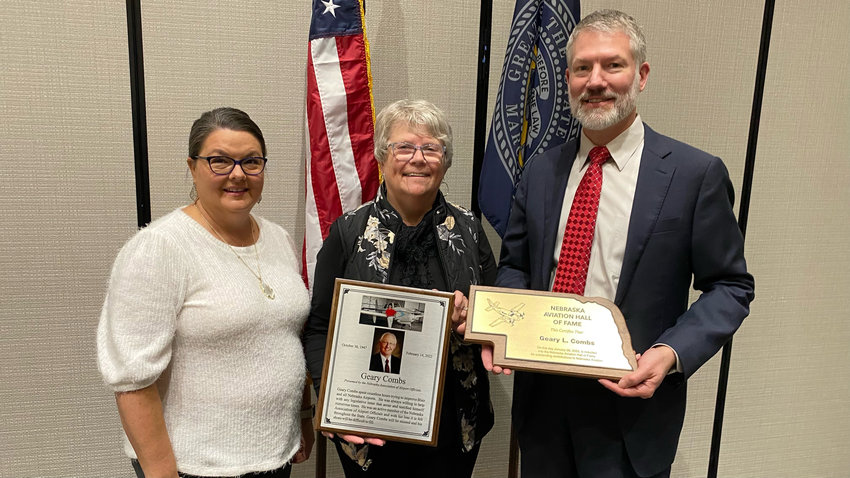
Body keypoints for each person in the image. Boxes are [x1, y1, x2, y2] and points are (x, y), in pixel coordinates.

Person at [486, 10, 755, 478]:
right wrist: (499, 329)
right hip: (543, 409)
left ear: (641, 75)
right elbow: (514, 266)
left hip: (632, 415)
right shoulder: (541, 171)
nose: (596, 81)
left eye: (613, 65)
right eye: (582, 68)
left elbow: (731, 286)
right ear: (567, 78)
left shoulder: (694, 175)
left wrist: (671, 353)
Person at [97, 107, 314, 478]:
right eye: (219, 161)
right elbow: (132, 379)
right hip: (193, 466)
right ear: (193, 167)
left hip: (275, 455)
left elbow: (286, 337)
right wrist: (162, 473)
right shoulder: (159, 248)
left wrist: (303, 419)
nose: (237, 174)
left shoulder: (280, 239)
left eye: (251, 162)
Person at [303, 99, 496, 477]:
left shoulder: (471, 230)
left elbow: (497, 318)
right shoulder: (349, 232)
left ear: (446, 159)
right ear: (381, 156)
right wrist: (330, 403)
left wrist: (472, 319)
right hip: (367, 425)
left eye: (431, 148)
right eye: (404, 147)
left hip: (452, 427)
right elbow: (318, 328)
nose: (418, 158)